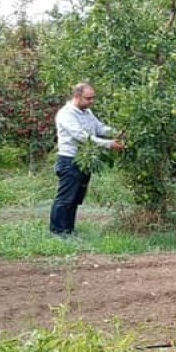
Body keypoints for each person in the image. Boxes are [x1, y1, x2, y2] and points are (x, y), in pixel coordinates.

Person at [49, 82, 123, 236]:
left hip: (85, 160)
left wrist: (119, 133)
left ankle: (68, 230)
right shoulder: (66, 114)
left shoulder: (87, 112)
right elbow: (81, 136)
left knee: (75, 198)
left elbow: (99, 127)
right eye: (88, 98)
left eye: (93, 98)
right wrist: (109, 144)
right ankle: (57, 232)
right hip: (70, 160)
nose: (91, 102)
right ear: (77, 96)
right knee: (65, 198)